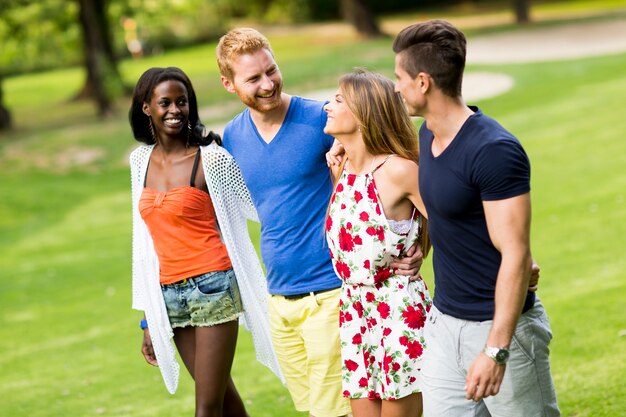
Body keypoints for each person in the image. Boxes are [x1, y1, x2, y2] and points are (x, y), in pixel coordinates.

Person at [215, 28, 423, 417]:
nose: (268, 83)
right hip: (279, 297)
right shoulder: (233, 137)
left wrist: (416, 245)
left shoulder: (321, 120)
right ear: (228, 84)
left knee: (333, 412)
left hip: (331, 293)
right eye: (253, 78)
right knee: (311, 407)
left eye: (271, 70)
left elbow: (390, 176)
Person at [391, 20, 560, 416]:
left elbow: (515, 253)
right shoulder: (427, 136)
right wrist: (422, 245)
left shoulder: (494, 150)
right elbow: (447, 210)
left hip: (501, 330)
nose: (394, 86)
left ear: (422, 81)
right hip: (444, 323)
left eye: (398, 76)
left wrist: (495, 350)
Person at [128, 66, 281, 417]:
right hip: (169, 295)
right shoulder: (140, 161)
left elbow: (257, 206)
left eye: (182, 102)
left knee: (206, 408)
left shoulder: (211, 159)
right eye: (164, 102)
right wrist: (149, 317)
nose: (175, 110)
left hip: (213, 287)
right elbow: (143, 243)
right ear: (146, 108)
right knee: (223, 400)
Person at [323, 69, 432, 417]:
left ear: (363, 112)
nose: (327, 106)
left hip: (398, 309)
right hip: (355, 311)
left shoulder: (399, 171)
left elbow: (451, 221)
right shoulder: (343, 169)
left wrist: (421, 251)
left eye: (338, 100)